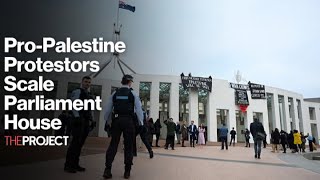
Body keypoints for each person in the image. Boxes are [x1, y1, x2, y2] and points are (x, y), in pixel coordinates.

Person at [102, 74, 144, 179]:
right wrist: (141, 122)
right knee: (129, 146)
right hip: (129, 121)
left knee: (113, 145)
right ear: (130, 82)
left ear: (122, 82)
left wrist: (107, 121)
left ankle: (107, 169)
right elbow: (139, 110)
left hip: (117, 121)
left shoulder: (115, 93)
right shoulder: (133, 93)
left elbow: (107, 109)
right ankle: (127, 172)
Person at [64, 76, 96, 173]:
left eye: (89, 82)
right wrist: (77, 117)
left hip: (86, 120)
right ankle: (68, 165)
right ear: (82, 82)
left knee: (80, 143)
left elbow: (91, 109)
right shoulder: (78, 91)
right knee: (75, 143)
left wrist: (93, 120)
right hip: (78, 120)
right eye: (86, 81)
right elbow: (73, 104)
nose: (87, 83)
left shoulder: (89, 94)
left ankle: (75, 163)